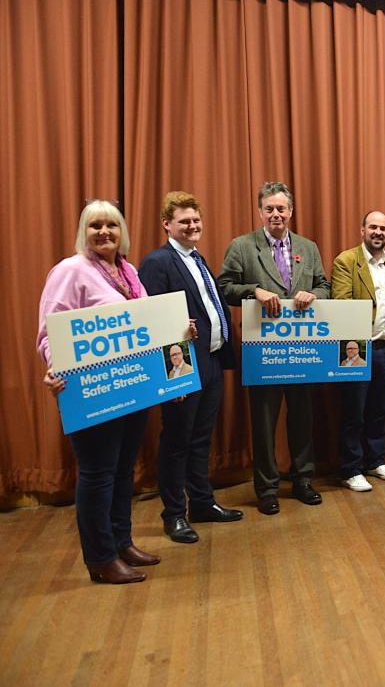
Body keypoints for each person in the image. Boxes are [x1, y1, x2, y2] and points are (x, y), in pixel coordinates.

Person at [37, 200, 162, 583]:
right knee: (98, 473)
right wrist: (54, 367)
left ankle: (121, 541)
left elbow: (145, 323)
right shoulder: (69, 271)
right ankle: (100, 558)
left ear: (121, 230)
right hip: (91, 390)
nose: (104, 232)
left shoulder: (128, 270)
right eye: (95, 226)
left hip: (131, 387)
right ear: (84, 232)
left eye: (111, 225)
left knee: (124, 470)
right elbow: (49, 334)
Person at [217, 182, 330, 514]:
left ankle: (303, 480)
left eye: (282, 209)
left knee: (302, 418)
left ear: (291, 212)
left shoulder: (308, 248)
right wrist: (254, 291)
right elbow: (224, 287)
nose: (276, 214)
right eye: (270, 209)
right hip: (263, 351)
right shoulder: (241, 246)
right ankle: (266, 489)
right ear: (260, 211)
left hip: (304, 350)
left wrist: (314, 295)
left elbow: (324, 286)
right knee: (264, 423)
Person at [138, 191, 242, 545]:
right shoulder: (157, 262)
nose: (193, 226)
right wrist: (173, 378)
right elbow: (156, 322)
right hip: (182, 368)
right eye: (185, 221)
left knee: (200, 439)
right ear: (167, 224)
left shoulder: (197, 259)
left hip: (210, 361)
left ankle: (202, 503)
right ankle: (174, 515)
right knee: (177, 442)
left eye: (196, 220)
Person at [331, 211, 385, 493]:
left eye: (383, 228)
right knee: (353, 412)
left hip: (384, 347)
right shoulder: (346, 261)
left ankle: (375, 460)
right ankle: (351, 468)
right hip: (357, 348)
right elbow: (342, 302)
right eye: (373, 227)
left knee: (379, 409)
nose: (378, 232)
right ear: (362, 230)